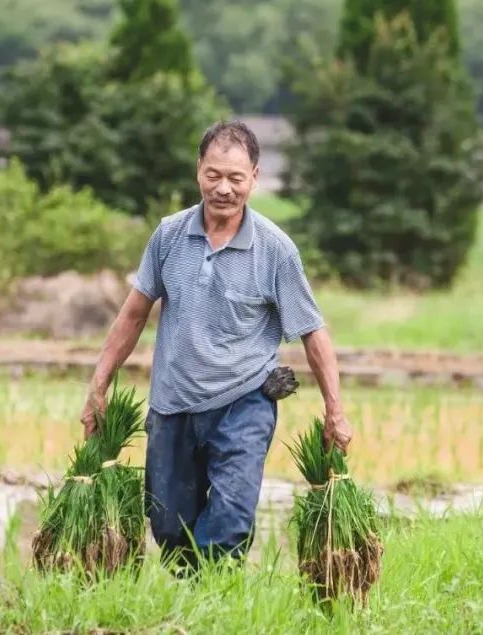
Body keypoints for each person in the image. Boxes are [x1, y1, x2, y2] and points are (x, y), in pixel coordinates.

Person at [79, 120, 352, 571]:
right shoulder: (168, 235)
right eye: (214, 175)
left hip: (244, 402)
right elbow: (132, 314)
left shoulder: (276, 250)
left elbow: (312, 331)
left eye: (236, 178)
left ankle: (214, 599)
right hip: (173, 404)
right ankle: (196, 601)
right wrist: (98, 384)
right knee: (167, 525)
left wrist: (335, 408)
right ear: (198, 171)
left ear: (255, 178)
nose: (223, 188)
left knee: (228, 518)